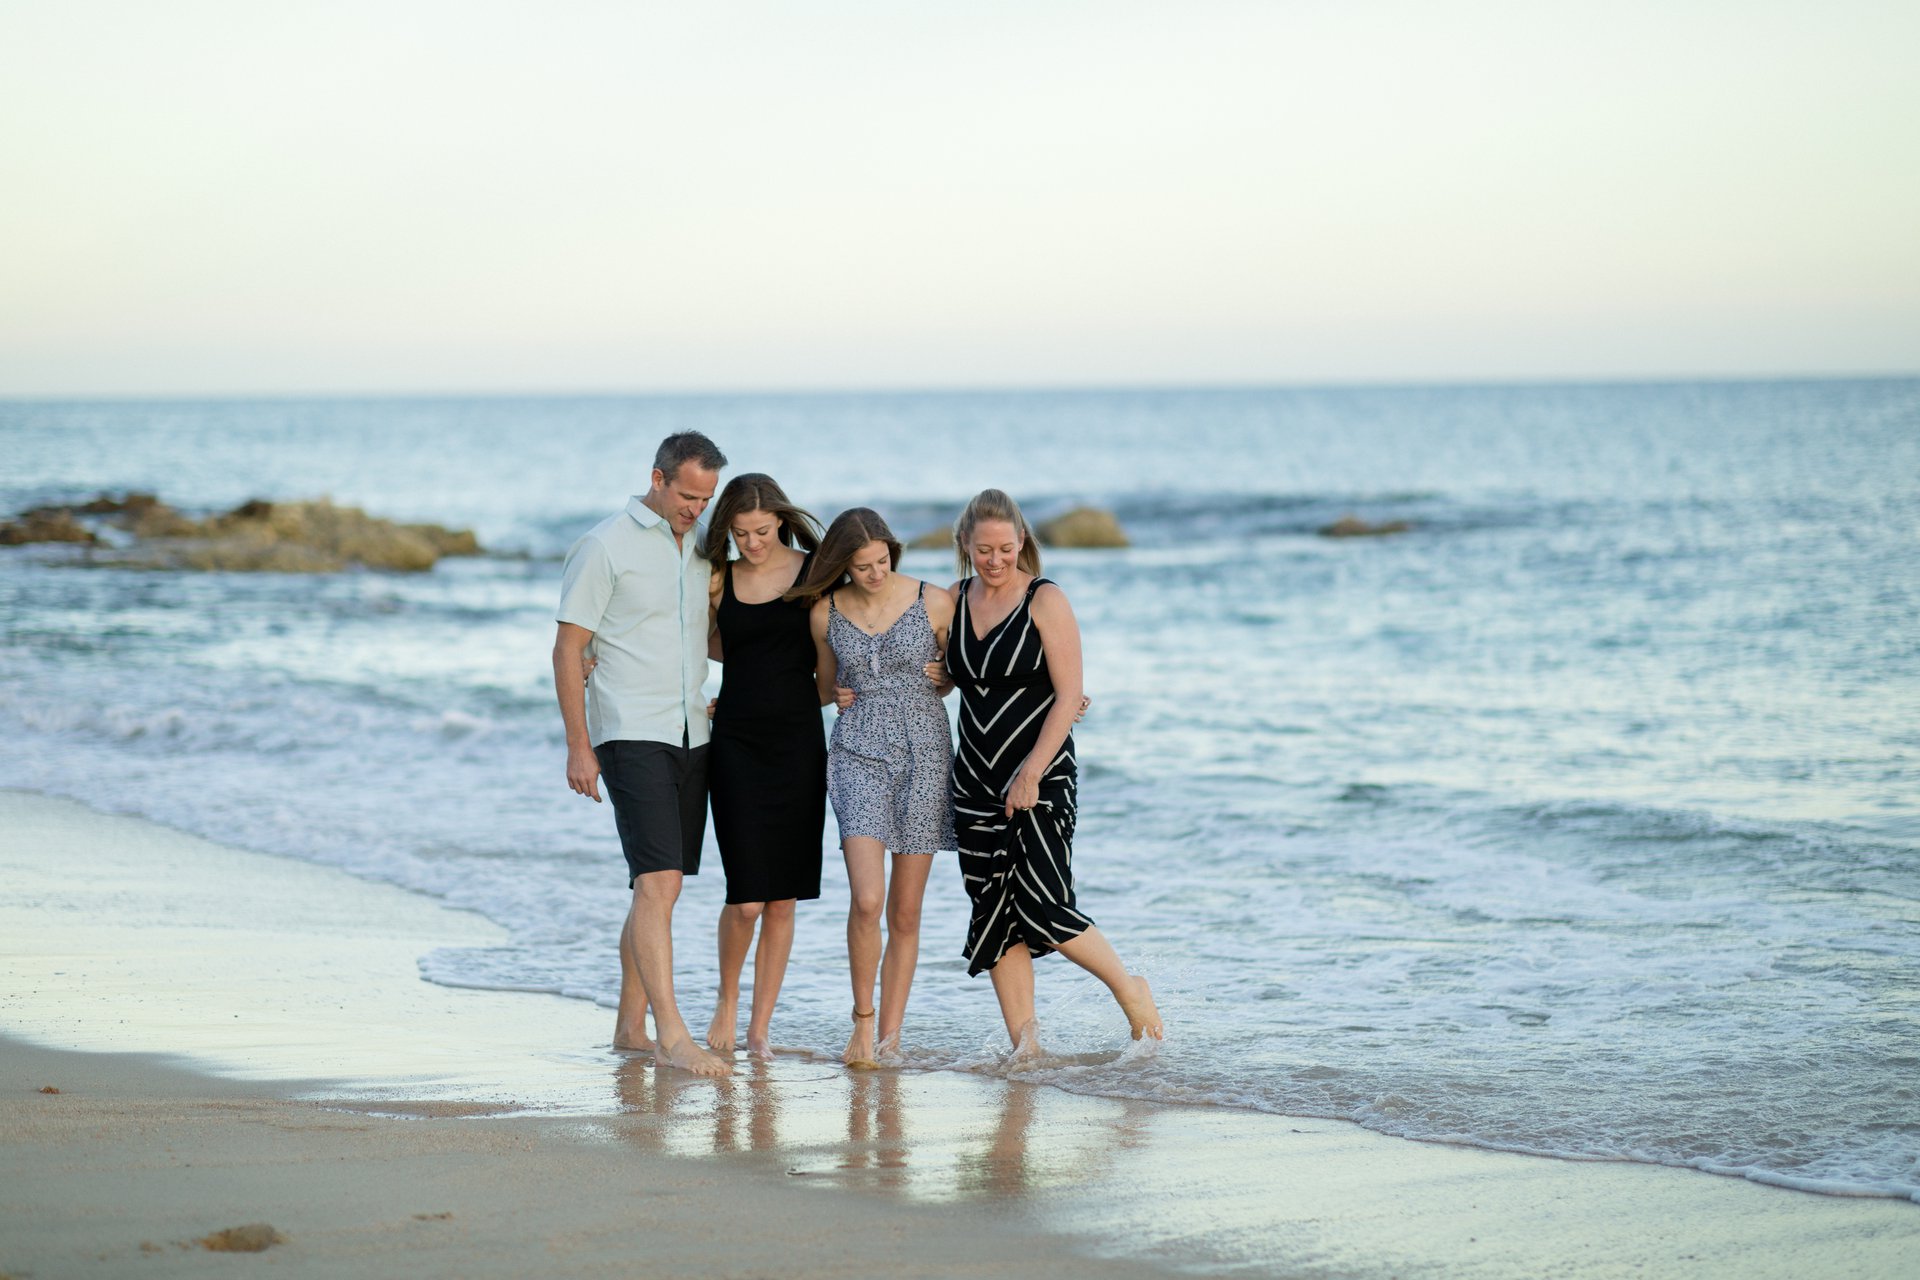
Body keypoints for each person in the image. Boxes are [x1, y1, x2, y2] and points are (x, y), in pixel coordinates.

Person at [937, 489, 1162, 1053]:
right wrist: (927, 677)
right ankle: (1027, 1048)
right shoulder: (952, 601)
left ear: (1022, 542)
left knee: (1042, 902)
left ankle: (1130, 990)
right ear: (964, 544)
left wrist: (1031, 773)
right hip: (974, 778)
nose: (995, 560)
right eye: (983, 550)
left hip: (1041, 774)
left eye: (1005, 548)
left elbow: (1068, 696)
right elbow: (945, 674)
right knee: (994, 911)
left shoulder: (1045, 599)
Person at [552, 431, 732, 1077]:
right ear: (657, 479)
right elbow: (568, 647)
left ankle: (630, 1025)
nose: (696, 509)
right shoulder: (605, 545)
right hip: (628, 728)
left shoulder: (703, 549)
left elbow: (705, 638)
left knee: (656, 886)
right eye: (688, 496)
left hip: (691, 729)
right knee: (660, 883)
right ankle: (672, 1036)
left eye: (706, 499)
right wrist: (579, 746)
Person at [787, 508, 956, 1068]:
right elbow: (820, 686)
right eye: (863, 566)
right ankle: (862, 1021)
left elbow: (966, 672)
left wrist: (949, 677)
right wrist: (825, 694)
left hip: (925, 755)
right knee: (867, 900)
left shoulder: (935, 601)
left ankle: (890, 1038)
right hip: (857, 753)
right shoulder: (825, 612)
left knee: (905, 913)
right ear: (843, 565)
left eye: (882, 561)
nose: (876, 573)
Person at [700, 473, 829, 1061]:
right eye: (739, 533)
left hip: (798, 745)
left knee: (783, 899)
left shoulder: (815, 573)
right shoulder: (718, 578)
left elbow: (840, 647)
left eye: (760, 531)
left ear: (780, 519)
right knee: (748, 896)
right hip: (735, 743)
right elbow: (699, 641)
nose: (751, 543)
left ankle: (759, 1029)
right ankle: (726, 999)